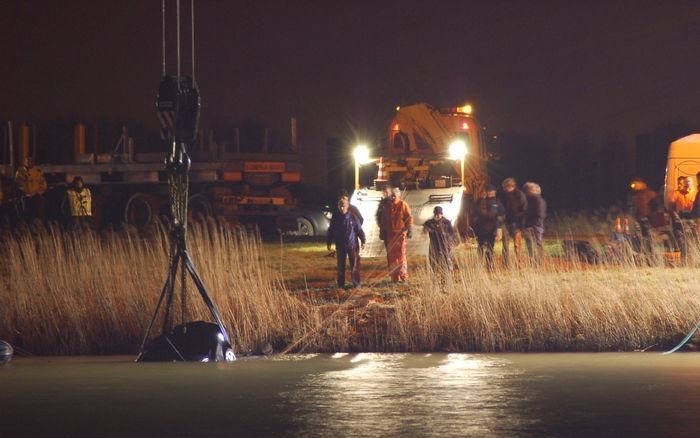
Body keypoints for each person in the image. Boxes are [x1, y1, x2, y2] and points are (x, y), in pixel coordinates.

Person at [327, 197, 366, 289]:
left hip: (352, 245)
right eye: (340, 206)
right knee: (341, 266)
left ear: (347, 207)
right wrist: (329, 242)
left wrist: (363, 240)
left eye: (343, 206)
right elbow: (331, 230)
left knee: (354, 265)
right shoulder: (336, 218)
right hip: (340, 245)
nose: (341, 208)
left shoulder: (352, 217)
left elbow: (359, 230)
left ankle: (356, 284)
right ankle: (341, 285)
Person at [379, 187, 413, 282]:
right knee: (391, 255)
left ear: (399, 195)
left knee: (401, 255)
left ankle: (403, 276)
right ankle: (394, 277)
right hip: (390, 234)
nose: (393, 197)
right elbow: (383, 220)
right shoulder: (387, 206)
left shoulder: (403, 205)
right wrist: (382, 231)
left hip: (400, 234)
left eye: (395, 195)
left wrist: (409, 229)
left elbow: (409, 217)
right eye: (392, 195)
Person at [472, 184, 505, 270]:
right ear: (486, 192)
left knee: (490, 247)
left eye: (491, 191)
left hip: (493, 228)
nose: (490, 193)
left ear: (495, 192)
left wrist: (499, 224)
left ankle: (489, 265)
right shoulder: (481, 201)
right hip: (482, 228)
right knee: (480, 247)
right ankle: (479, 265)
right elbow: (475, 213)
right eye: (488, 191)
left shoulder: (498, 202)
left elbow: (502, 214)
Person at [499, 177, 527, 267]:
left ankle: (518, 262)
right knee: (505, 244)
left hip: (516, 222)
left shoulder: (519, 195)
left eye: (505, 187)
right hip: (505, 222)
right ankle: (506, 263)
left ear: (510, 186)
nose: (503, 189)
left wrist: (521, 225)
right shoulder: (503, 195)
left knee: (517, 245)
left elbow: (524, 210)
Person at [422, 206, 457, 275]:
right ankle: (433, 278)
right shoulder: (430, 222)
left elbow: (452, 233)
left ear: (442, 214)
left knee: (446, 262)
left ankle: (446, 278)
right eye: (436, 214)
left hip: (445, 245)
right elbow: (425, 227)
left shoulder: (446, 222)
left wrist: (447, 237)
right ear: (434, 214)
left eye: (439, 214)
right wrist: (426, 230)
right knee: (433, 262)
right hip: (433, 245)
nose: (437, 215)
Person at [670, 176, 696, 261]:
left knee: (691, 238)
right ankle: (684, 258)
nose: (687, 183)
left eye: (689, 181)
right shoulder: (677, 193)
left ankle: (692, 257)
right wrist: (675, 215)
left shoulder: (694, 193)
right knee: (681, 239)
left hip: (691, 218)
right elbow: (672, 205)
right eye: (686, 182)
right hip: (680, 218)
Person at [629, 178, 657, 255]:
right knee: (639, 235)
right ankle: (641, 251)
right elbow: (634, 208)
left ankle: (648, 252)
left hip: (646, 217)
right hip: (639, 218)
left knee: (646, 236)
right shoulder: (635, 197)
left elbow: (654, 207)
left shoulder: (648, 194)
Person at [15, 157, 48, 221]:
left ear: (33, 162)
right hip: (25, 197)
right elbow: (18, 184)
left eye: (30, 161)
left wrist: (37, 193)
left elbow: (43, 185)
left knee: (37, 214)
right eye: (27, 161)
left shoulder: (38, 172)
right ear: (24, 162)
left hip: (36, 197)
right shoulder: (20, 172)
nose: (28, 162)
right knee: (24, 214)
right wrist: (24, 192)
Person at [522, 182, 547, 262]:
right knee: (529, 243)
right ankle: (532, 259)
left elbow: (540, 214)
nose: (526, 192)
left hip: (536, 225)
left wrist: (534, 223)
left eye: (528, 190)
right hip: (529, 224)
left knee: (537, 243)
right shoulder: (528, 200)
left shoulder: (538, 200)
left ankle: (539, 260)